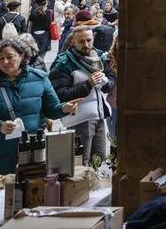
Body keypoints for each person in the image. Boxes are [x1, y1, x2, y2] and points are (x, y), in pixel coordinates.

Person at [0, 38, 80, 174]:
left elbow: (52, 109)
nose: (5, 62)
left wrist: (64, 108)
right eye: (1, 59)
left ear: (22, 56)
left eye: (9, 57)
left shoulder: (39, 78)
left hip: (33, 150)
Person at [49, 26, 116, 166]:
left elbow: (111, 79)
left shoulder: (100, 57)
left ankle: (97, 187)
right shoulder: (63, 63)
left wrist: (106, 82)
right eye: (81, 41)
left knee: (99, 161)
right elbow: (60, 94)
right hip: (78, 119)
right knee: (80, 163)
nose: (86, 44)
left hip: (98, 115)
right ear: (73, 42)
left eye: (88, 40)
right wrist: (88, 84)